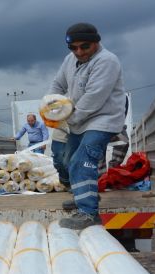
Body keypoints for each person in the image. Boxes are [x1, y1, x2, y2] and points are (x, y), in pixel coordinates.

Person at [49, 22, 126, 229]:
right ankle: (84, 196)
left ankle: (88, 213)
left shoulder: (107, 61)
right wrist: (50, 104)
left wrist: (66, 119)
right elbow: (58, 84)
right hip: (79, 121)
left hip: (102, 119)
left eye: (85, 46)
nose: (79, 52)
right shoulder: (70, 60)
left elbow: (94, 98)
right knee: (67, 160)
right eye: (73, 48)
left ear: (96, 42)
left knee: (82, 160)